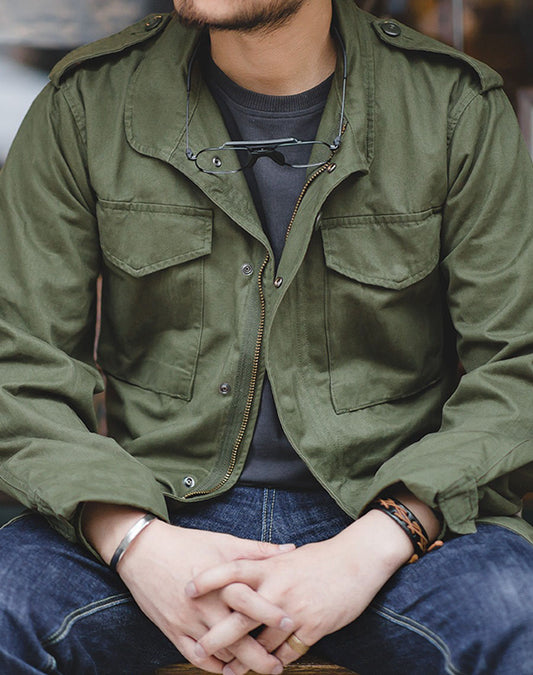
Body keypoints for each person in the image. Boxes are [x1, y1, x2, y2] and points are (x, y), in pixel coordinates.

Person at [0, 0, 532, 673]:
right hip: (154, 517)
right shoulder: (84, 104)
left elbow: (516, 367)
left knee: (516, 609)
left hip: (391, 527)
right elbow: (19, 369)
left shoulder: (453, 105)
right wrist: (135, 541)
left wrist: (374, 544)